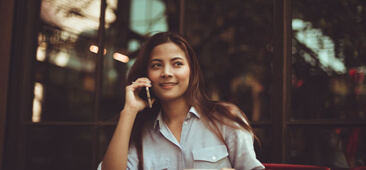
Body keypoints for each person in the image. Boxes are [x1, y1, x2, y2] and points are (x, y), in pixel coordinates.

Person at [98, 32, 264, 170]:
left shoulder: (225, 118)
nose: (167, 73)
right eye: (157, 65)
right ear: (146, 75)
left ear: (191, 71)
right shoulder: (142, 133)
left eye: (177, 64)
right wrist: (129, 111)